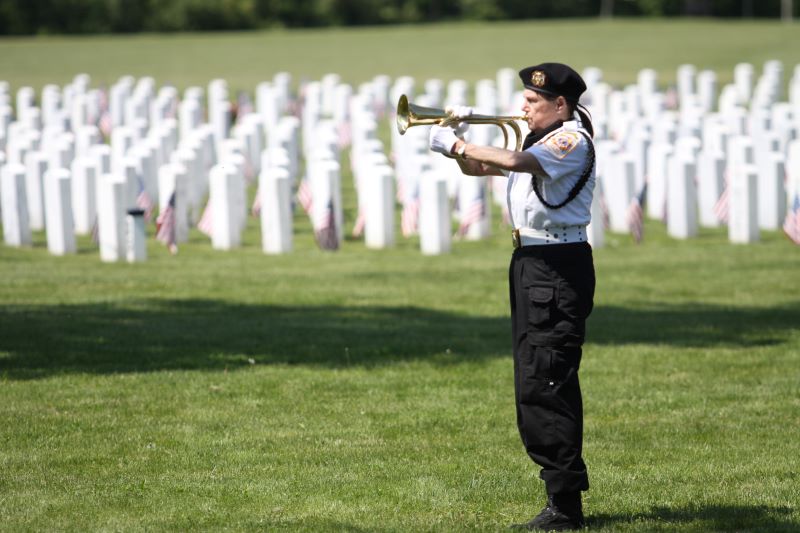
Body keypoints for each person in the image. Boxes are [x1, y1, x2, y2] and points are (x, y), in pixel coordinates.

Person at [428, 63, 596, 532]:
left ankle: (565, 506)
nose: (522, 107)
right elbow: (479, 168)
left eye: (533, 101)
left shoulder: (570, 140)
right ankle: (559, 496)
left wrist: (459, 141)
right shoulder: (538, 140)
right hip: (531, 263)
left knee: (547, 378)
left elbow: (517, 164)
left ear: (560, 104)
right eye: (523, 98)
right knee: (531, 376)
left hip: (557, 265)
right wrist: (455, 140)